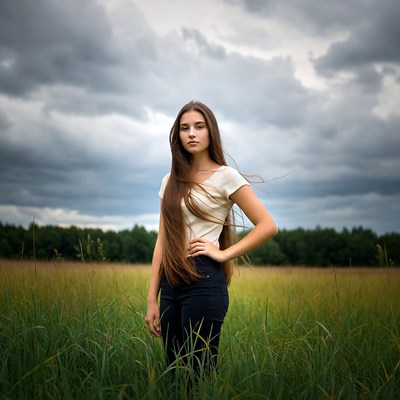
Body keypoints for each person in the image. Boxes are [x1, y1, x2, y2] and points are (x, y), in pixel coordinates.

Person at [145, 101, 277, 378]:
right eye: (184, 128)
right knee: (174, 371)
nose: (191, 133)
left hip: (204, 282)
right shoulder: (169, 180)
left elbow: (267, 226)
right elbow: (162, 240)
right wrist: (151, 299)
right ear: (177, 136)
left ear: (210, 132)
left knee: (199, 372)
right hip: (170, 282)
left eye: (198, 126)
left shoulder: (226, 176)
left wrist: (222, 254)